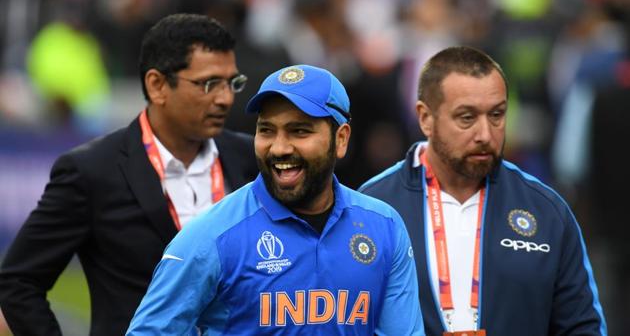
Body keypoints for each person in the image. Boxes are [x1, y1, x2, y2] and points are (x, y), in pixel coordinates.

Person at [0, 13, 258, 336]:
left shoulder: (251, 158)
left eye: (232, 83)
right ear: (157, 85)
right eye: (209, 84)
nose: (225, 98)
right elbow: (18, 280)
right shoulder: (92, 171)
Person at [126, 64, 425, 335]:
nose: (279, 148)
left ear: (341, 139)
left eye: (299, 131)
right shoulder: (211, 237)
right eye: (267, 130)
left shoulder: (383, 227)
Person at [359, 46, 607, 336]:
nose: (486, 134)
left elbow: (581, 326)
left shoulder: (546, 209)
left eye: (497, 115)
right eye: (466, 118)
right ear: (425, 118)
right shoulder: (373, 206)